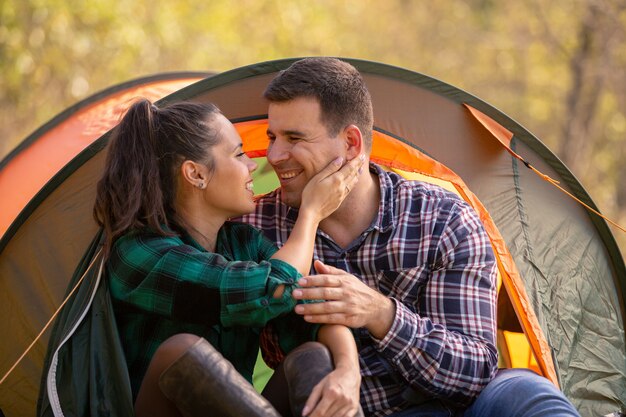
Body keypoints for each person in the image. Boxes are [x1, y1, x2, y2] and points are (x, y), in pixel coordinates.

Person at [238, 57, 582, 417]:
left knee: (527, 393)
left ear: (352, 144)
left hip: (447, 408)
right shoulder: (257, 226)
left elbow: (475, 372)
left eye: (294, 138)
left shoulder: (442, 218)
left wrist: (380, 313)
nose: (274, 156)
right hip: (332, 407)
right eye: (272, 137)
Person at [92, 98, 365, 417]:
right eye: (238, 154)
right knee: (179, 352)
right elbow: (274, 286)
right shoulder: (139, 252)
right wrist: (311, 213)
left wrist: (349, 371)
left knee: (311, 355)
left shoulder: (243, 243)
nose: (253, 165)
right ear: (195, 174)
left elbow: (316, 308)